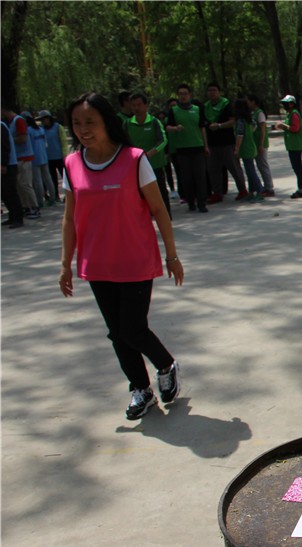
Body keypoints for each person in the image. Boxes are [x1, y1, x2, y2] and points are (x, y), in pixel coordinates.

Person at [58, 92, 184, 420]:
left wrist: (171, 255)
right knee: (116, 333)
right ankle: (140, 389)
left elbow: (159, 209)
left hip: (135, 259)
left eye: (90, 122)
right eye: (77, 123)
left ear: (107, 123)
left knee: (132, 329)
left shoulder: (134, 159)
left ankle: (166, 365)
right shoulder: (72, 163)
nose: (83, 129)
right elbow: (70, 218)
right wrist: (65, 264)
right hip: (97, 263)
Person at [126, 93, 172, 219]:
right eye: (133, 105)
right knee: (138, 193)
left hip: (155, 164)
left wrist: (150, 153)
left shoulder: (154, 122)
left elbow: (163, 140)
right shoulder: (127, 124)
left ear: (146, 106)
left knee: (161, 191)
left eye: (139, 105)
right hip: (135, 166)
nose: (136, 108)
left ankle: (166, 218)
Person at [165, 84, 209, 213]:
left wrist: (206, 145)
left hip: (197, 147)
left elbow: (202, 128)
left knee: (200, 176)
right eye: (180, 94)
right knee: (186, 178)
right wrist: (175, 128)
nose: (183, 96)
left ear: (189, 95)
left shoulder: (197, 109)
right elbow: (167, 127)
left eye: (185, 93)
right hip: (182, 149)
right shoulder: (174, 111)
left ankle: (202, 203)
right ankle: (190, 202)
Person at [203, 82, 248, 203]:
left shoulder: (226, 104)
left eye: (214, 90)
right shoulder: (205, 107)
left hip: (227, 142)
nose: (212, 93)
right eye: (210, 90)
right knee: (213, 169)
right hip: (212, 143)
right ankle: (217, 193)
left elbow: (233, 121)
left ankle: (242, 190)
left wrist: (219, 125)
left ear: (219, 92)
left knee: (234, 167)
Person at [233, 98, 264, 202]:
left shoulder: (240, 120)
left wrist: (237, 148)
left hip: (245, 148)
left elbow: (240, 135)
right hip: (251, 146)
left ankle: (259, 190)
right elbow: (254, 127)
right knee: (249, 170)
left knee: (250, 171)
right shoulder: (249, 118)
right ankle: (252, 191)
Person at [276, 94, 302, 199]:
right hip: (292, 145)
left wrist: (284, 126)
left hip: (296, 145)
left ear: (292, 104)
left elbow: (295, 128)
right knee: (295, 167)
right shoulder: (290, 114)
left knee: (297, 167)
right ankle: (301, 189)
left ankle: (301, 189)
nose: (284, 105)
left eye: (286, 103)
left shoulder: (294, 114)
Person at [246, 94, 275, 197]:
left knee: (263, 165)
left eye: (248, 101)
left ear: (253, 101)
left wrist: (261, 145)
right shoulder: (253, 113)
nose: (247, 103)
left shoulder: (260, 113)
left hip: (260, 143)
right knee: (259, 165)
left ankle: (269, 188)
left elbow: (263, 130)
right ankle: (263, 187)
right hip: (255, 143)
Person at [1, 108, 25, 228]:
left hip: (8, 165)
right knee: (4, 193)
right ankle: (12, 215)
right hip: (5, 164)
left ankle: (18, 218)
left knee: (11, 192)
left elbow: (4, 146)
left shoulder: (1, 126)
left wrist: (3, 164)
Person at [38, 110, 66, 203]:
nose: (43, 121)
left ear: (49, 118)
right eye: (42, 120)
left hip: (59, 156)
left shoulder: (58, 127)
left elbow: (63, 141)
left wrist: (64, 155)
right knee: (53, 178)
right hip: (49, 158)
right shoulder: (42, 129)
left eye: (45, 119)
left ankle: (68, 195)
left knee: (65, 177)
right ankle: (56, 195)